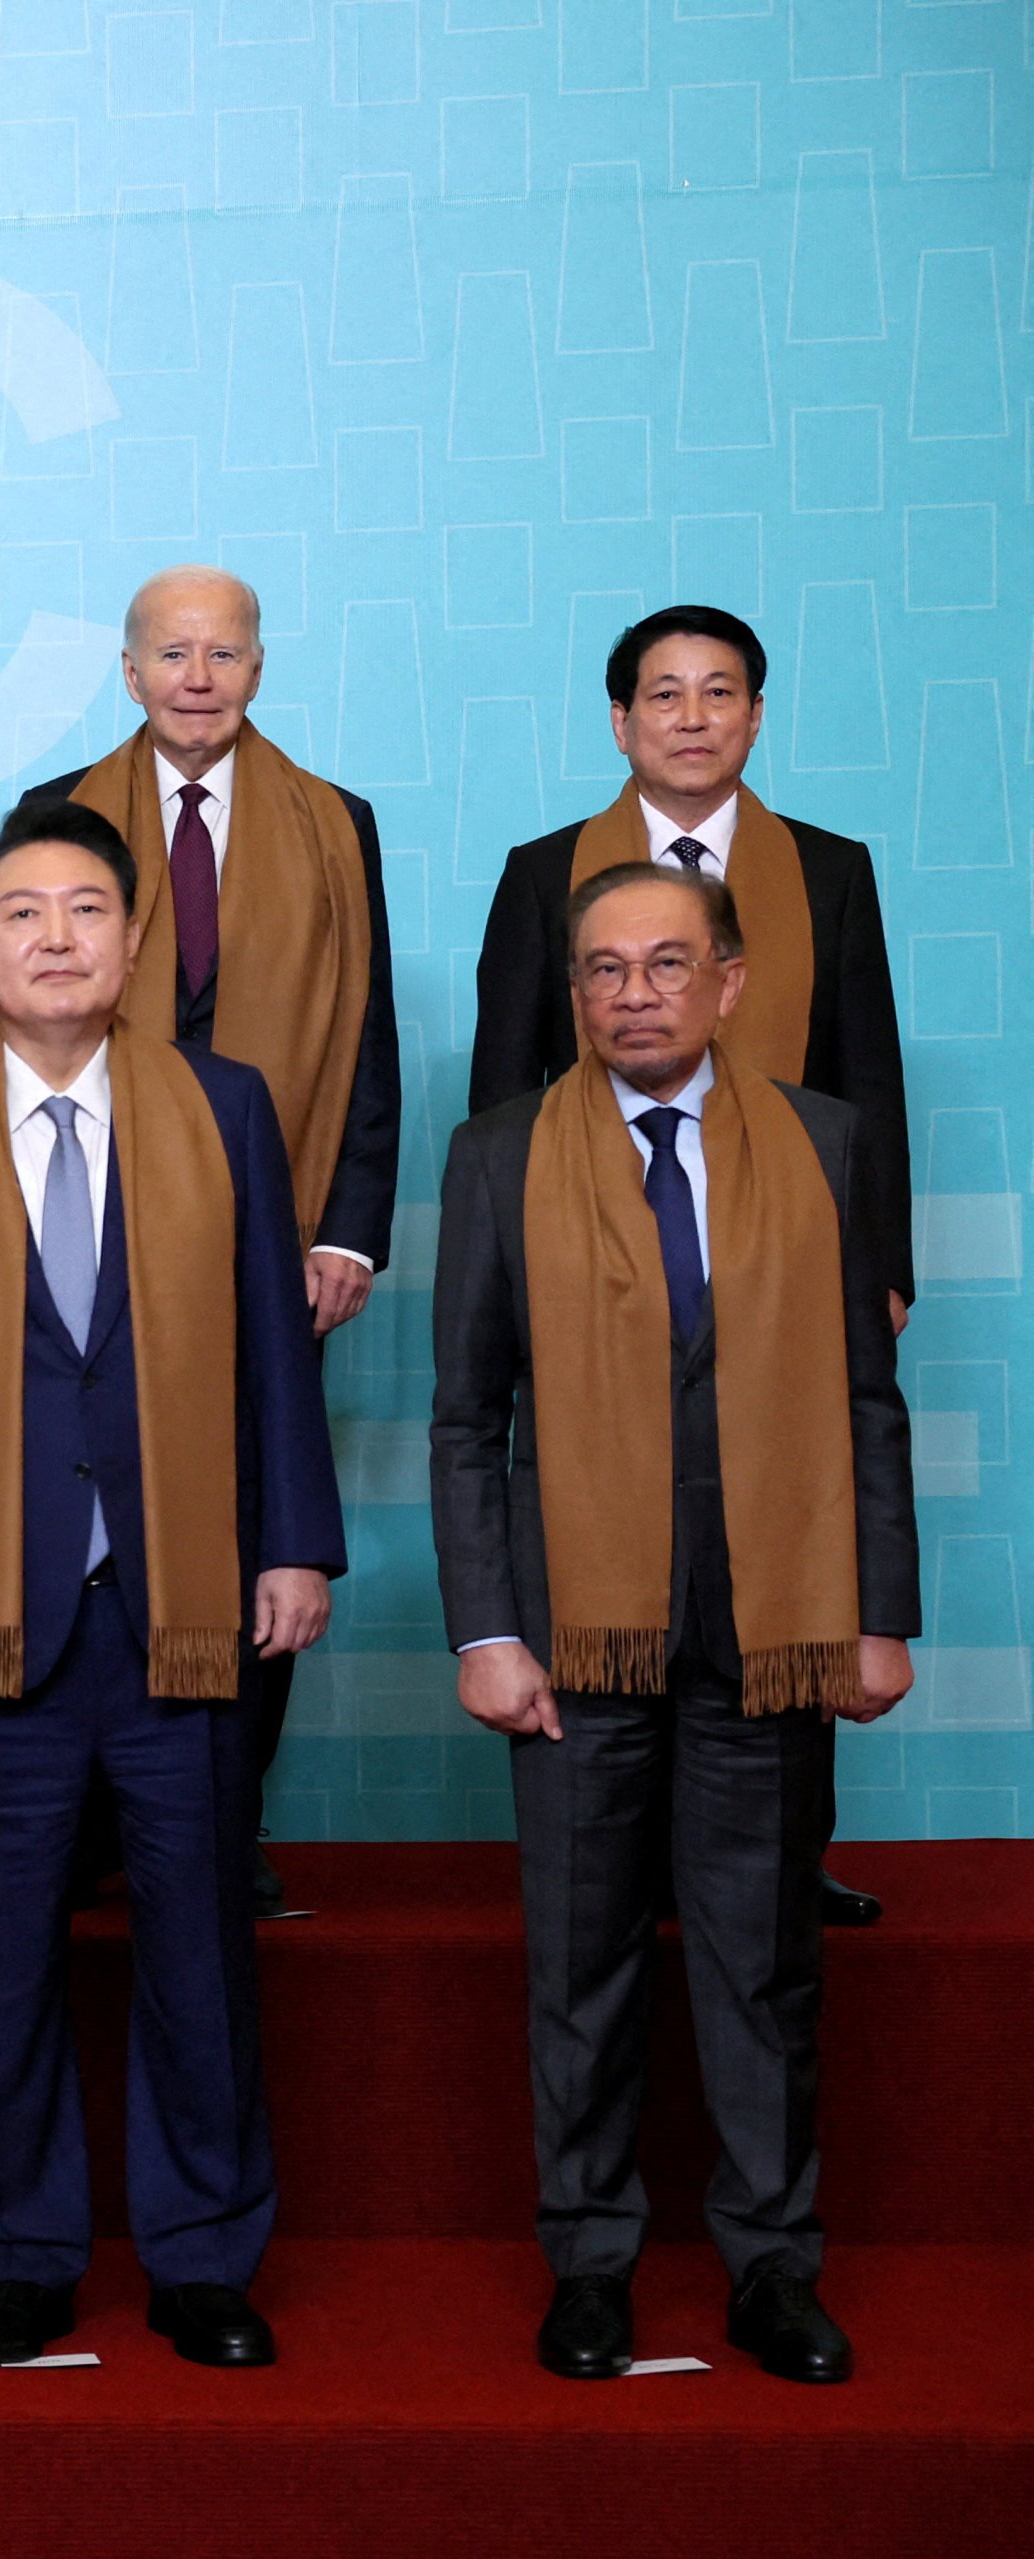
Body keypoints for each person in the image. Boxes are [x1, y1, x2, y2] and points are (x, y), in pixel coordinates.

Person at [0, 799, 346, 2371]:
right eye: (20, 915)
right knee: (1, 1958)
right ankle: (20, 2251)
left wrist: (292, 1538)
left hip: (182, 1604)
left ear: (133, 944)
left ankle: (198, 2255)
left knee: (198, 1951)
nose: (54, 936)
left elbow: (268, 1345)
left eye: (85, 912)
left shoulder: (222, 1106)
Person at [430, 859, 916, 2385]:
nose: (631, 992)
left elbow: (861, 1397)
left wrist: (876, 1609)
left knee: (759, 1963)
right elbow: (465, 1416)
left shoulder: (820, 1144)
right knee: (579, 1963)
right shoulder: (497, 1154)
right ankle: (588, 2258)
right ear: (571, 994)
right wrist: (482, 1628)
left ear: (726, 981)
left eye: (662, 964)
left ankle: (771, 2265)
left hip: (770, 1623)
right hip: (574, 1634)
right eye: (600, 969)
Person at [468, 605, 914, 1930]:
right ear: (619, 721)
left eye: (717, 692)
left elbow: (863, 1077)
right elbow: (507, 1080)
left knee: (792, 1523)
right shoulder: (544, 869)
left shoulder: (825, 870)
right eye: (659, 694)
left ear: (754, 716)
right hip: (590, 1276)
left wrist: (872, 1261)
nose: (688, 715)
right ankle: (616, 1852)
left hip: (783, 1267)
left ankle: (781, 1849)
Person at [0, 568, 397, 1915]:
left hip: (270, 1225)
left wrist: (344, 1230)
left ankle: (223, 1819)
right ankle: (98, 1819)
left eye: (221, 652)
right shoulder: (51, 819)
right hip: (90, 1229)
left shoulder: (334, 821)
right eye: (168, 652)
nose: (195, 675)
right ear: (126, 673)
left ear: (256, 668)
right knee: (90, 1504)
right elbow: (13, 1019)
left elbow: (368, 1034)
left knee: (251, 1512)